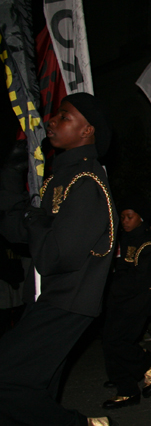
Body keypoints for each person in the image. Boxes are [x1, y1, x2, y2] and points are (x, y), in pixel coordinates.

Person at [0, 93, 118, 426]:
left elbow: (56, 255)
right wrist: (10, 177)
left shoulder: (87, 183)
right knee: (30, 395)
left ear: (87, 131)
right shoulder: (60, 179)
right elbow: (16, 230)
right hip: (45, 301)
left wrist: (32, 220)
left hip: (66, 304)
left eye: (64, 117)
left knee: (7, 382)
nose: (51, 121)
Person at [101, 195, 151, 409]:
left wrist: (112, 287)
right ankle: (126, 387)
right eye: (122, 217)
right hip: (118, 302)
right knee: (109, 342)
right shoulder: (127, 239)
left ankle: (150, 364)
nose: (125, 221)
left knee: (118, 342)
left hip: (135, 305)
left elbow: (143, 281)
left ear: (141, 218)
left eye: (130, 216)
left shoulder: (148, 244)